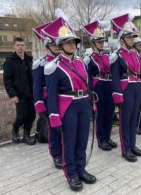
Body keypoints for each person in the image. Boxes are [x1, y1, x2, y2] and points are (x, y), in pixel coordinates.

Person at [43, 17, 96, 191]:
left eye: (73, 41)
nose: (72, 45)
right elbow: (51, 95)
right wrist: (54, 117)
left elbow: (88, 86)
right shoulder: (53, 66)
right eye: (67, 42)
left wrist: (92, 104)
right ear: (60, 45)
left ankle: (81, 169)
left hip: (83, 105)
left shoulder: (81, 62)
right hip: (67, 107)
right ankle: (71, 173)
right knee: (70, 143)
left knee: (82, 141)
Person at [110, 14, 141, 162]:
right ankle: (126, 149)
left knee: (135, 118)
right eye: (129, 37)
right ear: (122, 39)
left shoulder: (135, 54)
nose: (133, 39)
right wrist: (117, 95)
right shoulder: (116, 55)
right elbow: (115, 77)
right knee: (125, 120)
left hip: (136, 87)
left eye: (133, 37)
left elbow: (140, 71)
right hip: (125, 89)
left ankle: (133, 145)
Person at [83, 21, 117, 151]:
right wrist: (90, 93)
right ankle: (101, 139)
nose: (101, 44)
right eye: (98, 42)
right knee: (100, 115)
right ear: (92, 43)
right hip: (98, 88)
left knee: (109, 113)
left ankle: (107, 137)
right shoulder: (89, 59)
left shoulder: (108, 56)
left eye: (102, 41)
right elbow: (87, 78)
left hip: (109, 86)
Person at [32, 22, 62, 168]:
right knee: (54, 129)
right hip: (48, 101)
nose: (56, 46)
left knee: (65, 129)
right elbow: (37, 87)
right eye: (52, 44)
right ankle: (56, 155)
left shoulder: (64, 62)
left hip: (64, 101)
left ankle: (65, 152)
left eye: (57, 43)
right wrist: (39, 106)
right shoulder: (41, 64)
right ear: (46, 45)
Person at [3, 37, 36, 145]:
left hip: (31, 93)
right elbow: (7, 80)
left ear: (25, 46)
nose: (20, 47)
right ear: (14, 46)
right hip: (19, 94)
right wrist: (12, 94)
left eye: (22, 45)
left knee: (31, 115)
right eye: (18, 45)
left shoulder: (29, 59)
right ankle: (15, 130)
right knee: (21, 116)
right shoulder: (9, 61)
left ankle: (26, 136)